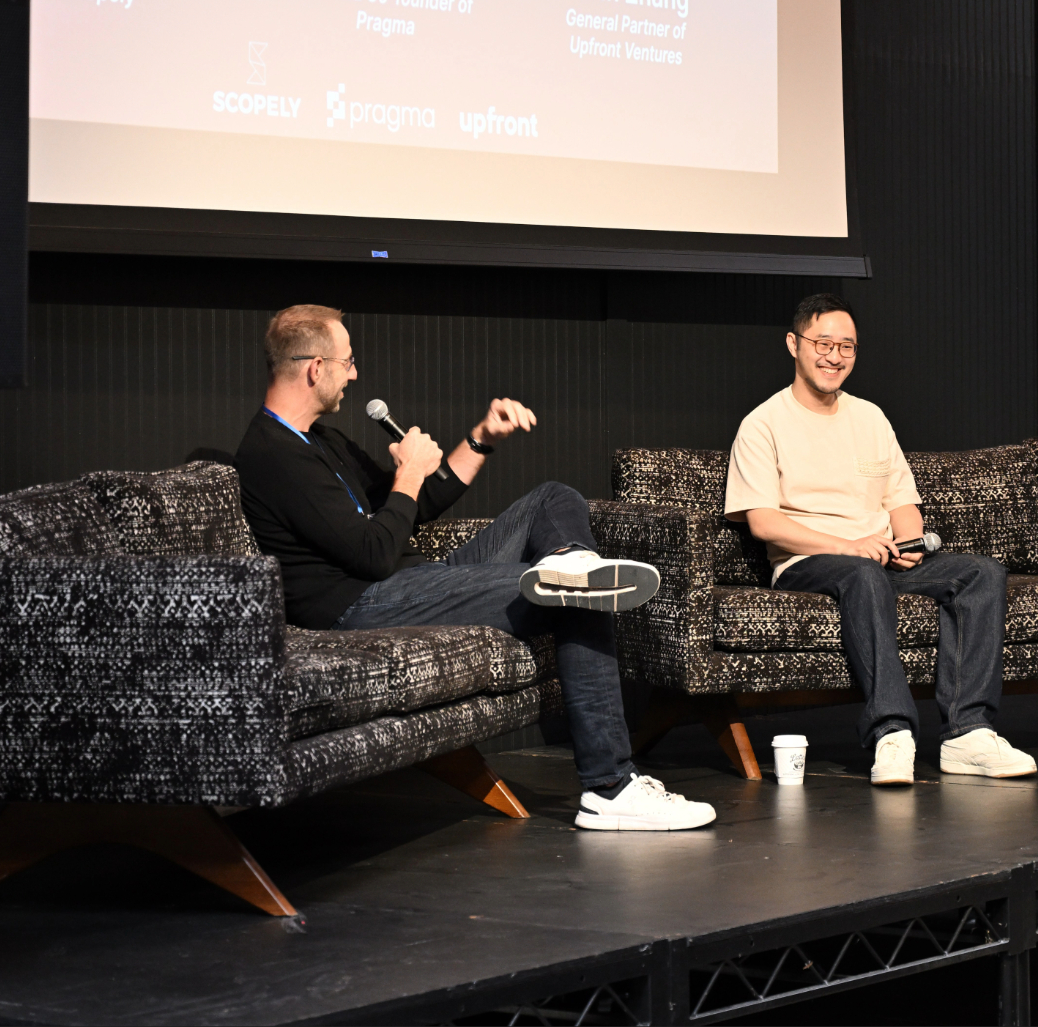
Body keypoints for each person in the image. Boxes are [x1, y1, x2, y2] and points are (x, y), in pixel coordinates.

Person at [234, 305, 714, 831]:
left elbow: (420, 502)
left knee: (552, 499)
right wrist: (409, 474)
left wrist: (482, 437)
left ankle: (568, 559)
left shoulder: (323, 438)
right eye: (347, 362)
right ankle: (610, 788)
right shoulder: (271, 454)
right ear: (315, 368)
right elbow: (372, 554)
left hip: (412, 579)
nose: (354, 374)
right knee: (574, 592)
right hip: (359, 604)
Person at [723, 294, 1036, 786]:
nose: (834, 356)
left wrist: (909, 543)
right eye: (823, 343)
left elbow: (901, 502)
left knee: (981, 572)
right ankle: (892, 732)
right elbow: (764, 523)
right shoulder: (763, 424)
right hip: (809, 562)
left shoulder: (870, 417)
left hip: (878, 558)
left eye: (846, 347)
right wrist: (849, 546)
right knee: (863, 573)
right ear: (794, 344)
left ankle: (967, 733)